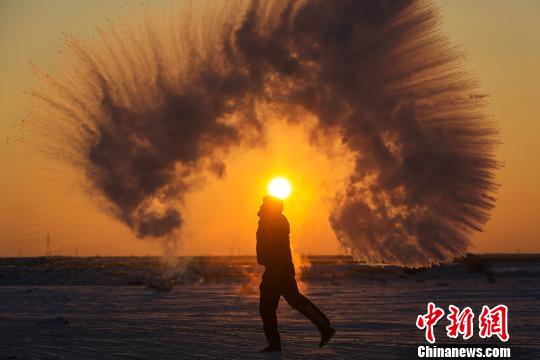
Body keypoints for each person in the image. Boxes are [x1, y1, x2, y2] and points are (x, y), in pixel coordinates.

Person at [256, 195, 335, 352]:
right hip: (276, 269)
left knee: (269, 307)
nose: (263, 205)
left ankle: (276, 344)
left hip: (277, 270)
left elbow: (279, 249)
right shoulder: (269, 219)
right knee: (293, 301)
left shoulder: (275, 220)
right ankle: (324, 327)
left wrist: (277, 270)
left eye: (266, 203)